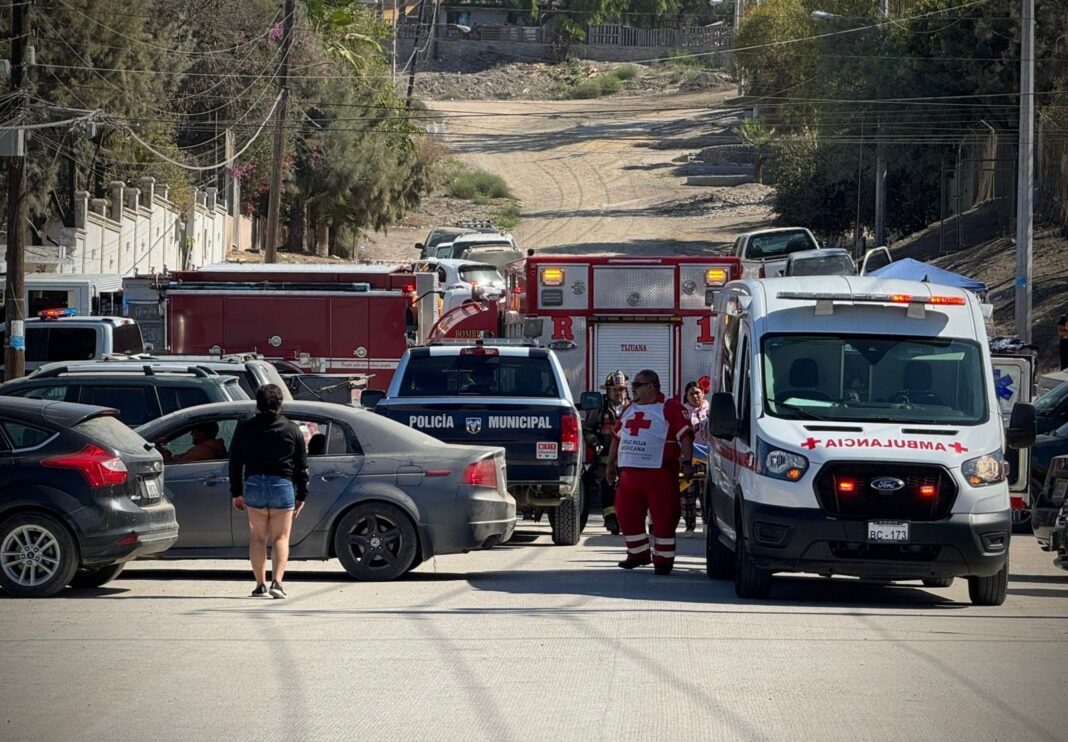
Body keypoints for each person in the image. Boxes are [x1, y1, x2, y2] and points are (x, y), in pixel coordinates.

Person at [606, 369, 695, 575]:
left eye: (637, 385)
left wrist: (688, 462)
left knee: (664, 517)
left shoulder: (669, 407)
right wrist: (610, 464)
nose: (632, 389)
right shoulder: (629, 409)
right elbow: (616, 437)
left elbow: (685, 436)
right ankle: (637, 554)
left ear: (651, 387)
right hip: (630, 475)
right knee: (626, 514)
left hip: (660, 474)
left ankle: (663, 561)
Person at [229, 384, 309, 599]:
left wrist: (236, 491)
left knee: (257, 538)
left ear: (258, 404)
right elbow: (302, 466)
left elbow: (235, 462)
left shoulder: (245, 428)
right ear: (280, 403)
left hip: (254, 485)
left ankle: (259, 585)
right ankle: (277, 583)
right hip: (282, 485)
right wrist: (302, 495)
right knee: (281, 538)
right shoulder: (292, 429)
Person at [583, 371, 629, 534]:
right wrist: (594, 443)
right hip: (605, 457)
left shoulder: (632, 408)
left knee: (627, 490)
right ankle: (610, 519)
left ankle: (625, 519)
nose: (619, 393)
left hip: (628, 458)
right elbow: (587, 429)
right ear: (608, 391)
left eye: (622, 389)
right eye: (615, 389)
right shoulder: (600, 409)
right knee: (608, 488)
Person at [680, 381, 709, 537]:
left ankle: (706, 523)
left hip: (707, 457)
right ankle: (689, 526)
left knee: (705, 493)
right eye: (691, 393)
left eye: (698, 392)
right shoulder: (683, 412)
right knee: (688, 492)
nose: (695, 396)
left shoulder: (710, 410)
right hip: (689, 457)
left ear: (703, 393)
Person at [160, 422, 226, 464]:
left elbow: (173, 465)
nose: (191, 434)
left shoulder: (202, 451)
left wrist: (161, 452)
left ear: (202, 434)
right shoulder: (211, 448)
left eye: (194, 431)